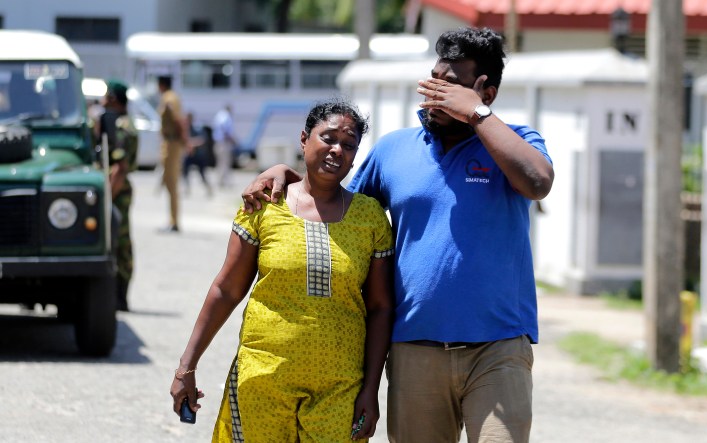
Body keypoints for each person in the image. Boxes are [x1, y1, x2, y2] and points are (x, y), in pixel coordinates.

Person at [242, 27, 555, 442]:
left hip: (497, 350)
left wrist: (477, 114)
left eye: (452, 86)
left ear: (487, 93)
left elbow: (537, 182)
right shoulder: (394, 150)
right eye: (434, 79)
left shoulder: (515, 142)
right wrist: (289, 174)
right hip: (414, 349)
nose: (436, 93)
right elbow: (339, 209)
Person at [170, 98, 395, 442]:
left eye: (348, 145)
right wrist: (187, 366)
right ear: (304, 139)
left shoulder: (370, 218)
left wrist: (370, 389)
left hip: (339, 388)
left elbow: (380, 307)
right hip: (263, 379)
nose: (337, 150)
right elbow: (226, 289)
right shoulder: (263, 204)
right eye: (328, 138)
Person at [95, 80, 139, 312]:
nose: (102, 101)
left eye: (105, 97)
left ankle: (120, 296)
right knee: (122, 241)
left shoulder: (121, 126)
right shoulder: (125, 123)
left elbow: (119, 168)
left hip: (118, 189)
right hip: (121, 187)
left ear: (113, 98)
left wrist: (107, 199)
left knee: (119, 241)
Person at [157, 75, 187, 232]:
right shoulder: (171, 97)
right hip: (170, 143)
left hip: (172, 144)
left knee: (171, 182)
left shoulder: (168, 98)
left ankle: (174, 221)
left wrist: (185, 141)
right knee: (170, 183)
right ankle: (172, 219)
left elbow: (178, 120)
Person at [182, 112, 213, 197]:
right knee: (185, 172)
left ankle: (209, 189)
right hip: (190, 155)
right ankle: (186, 189)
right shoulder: (186, 129)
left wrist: (192, 143)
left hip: (199, 155)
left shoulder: (198, 128)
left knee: (202, 174)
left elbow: (203, 139)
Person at [212, 104, 238, 188]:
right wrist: (232, 139)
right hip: (224, 142)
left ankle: (220, 181)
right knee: (225, 162)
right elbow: (225, 128)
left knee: (220, 162)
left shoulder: (218, 115)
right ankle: (224, 182)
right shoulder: (226, 116)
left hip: (218, 142)